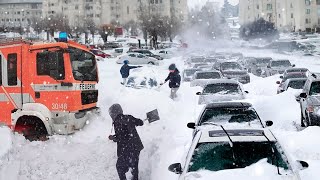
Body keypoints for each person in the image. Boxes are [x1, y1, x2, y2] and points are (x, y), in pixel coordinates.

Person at [108, 104, 144, 180]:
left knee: (119, 167)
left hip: (126, 149)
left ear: (114, 114)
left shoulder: (117, 122)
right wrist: (139, 122)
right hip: (136, 147)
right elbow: (140, 122)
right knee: (134, 166)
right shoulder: (128, 117)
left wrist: (114, 138)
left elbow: (121, 137)